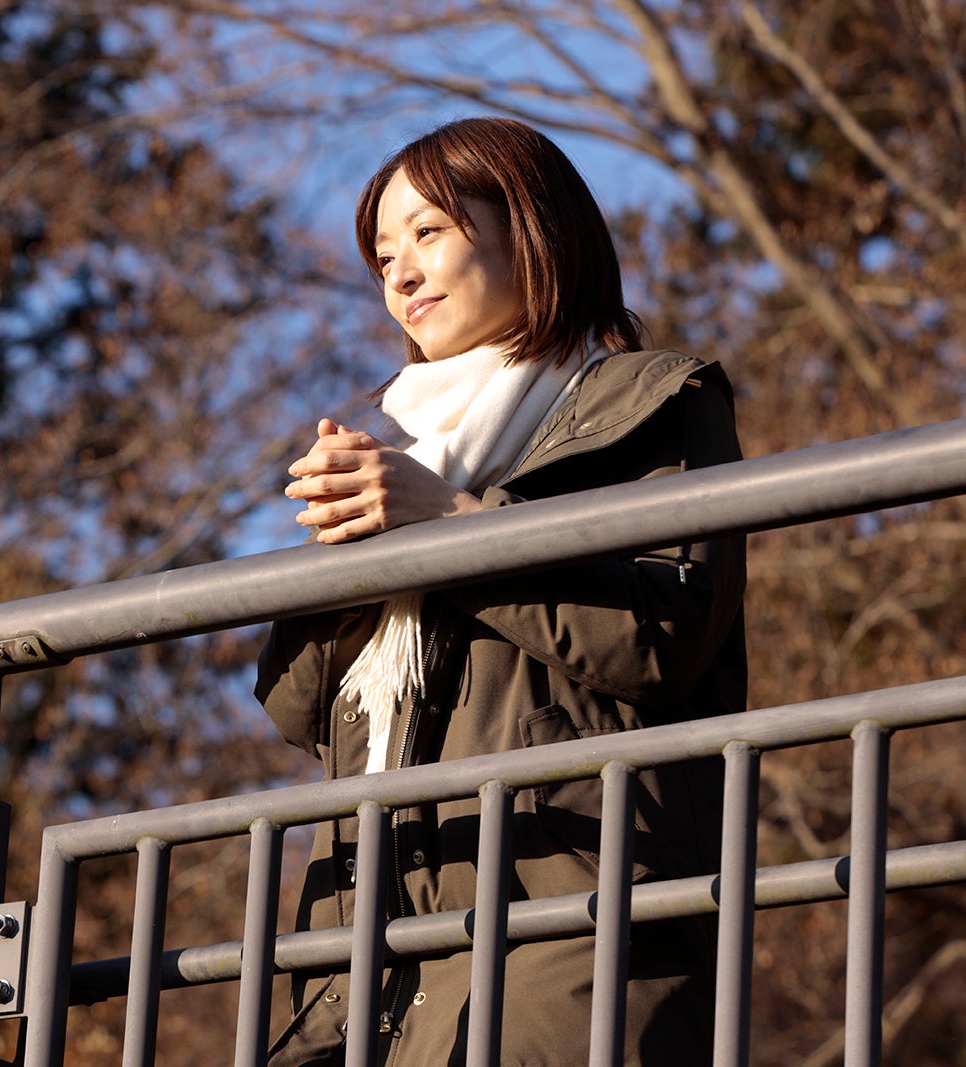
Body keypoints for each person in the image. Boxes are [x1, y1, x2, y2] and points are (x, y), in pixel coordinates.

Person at [258, 117, 747, 1065]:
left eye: (428, 232)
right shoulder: (404, 452)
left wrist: (448, 525)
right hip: (366, 970)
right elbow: (296, 708)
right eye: (383, 255)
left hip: (567, 935)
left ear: (530, 228)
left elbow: (660, 637)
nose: (400, 275)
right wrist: (345, 559)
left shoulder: (654, 401)